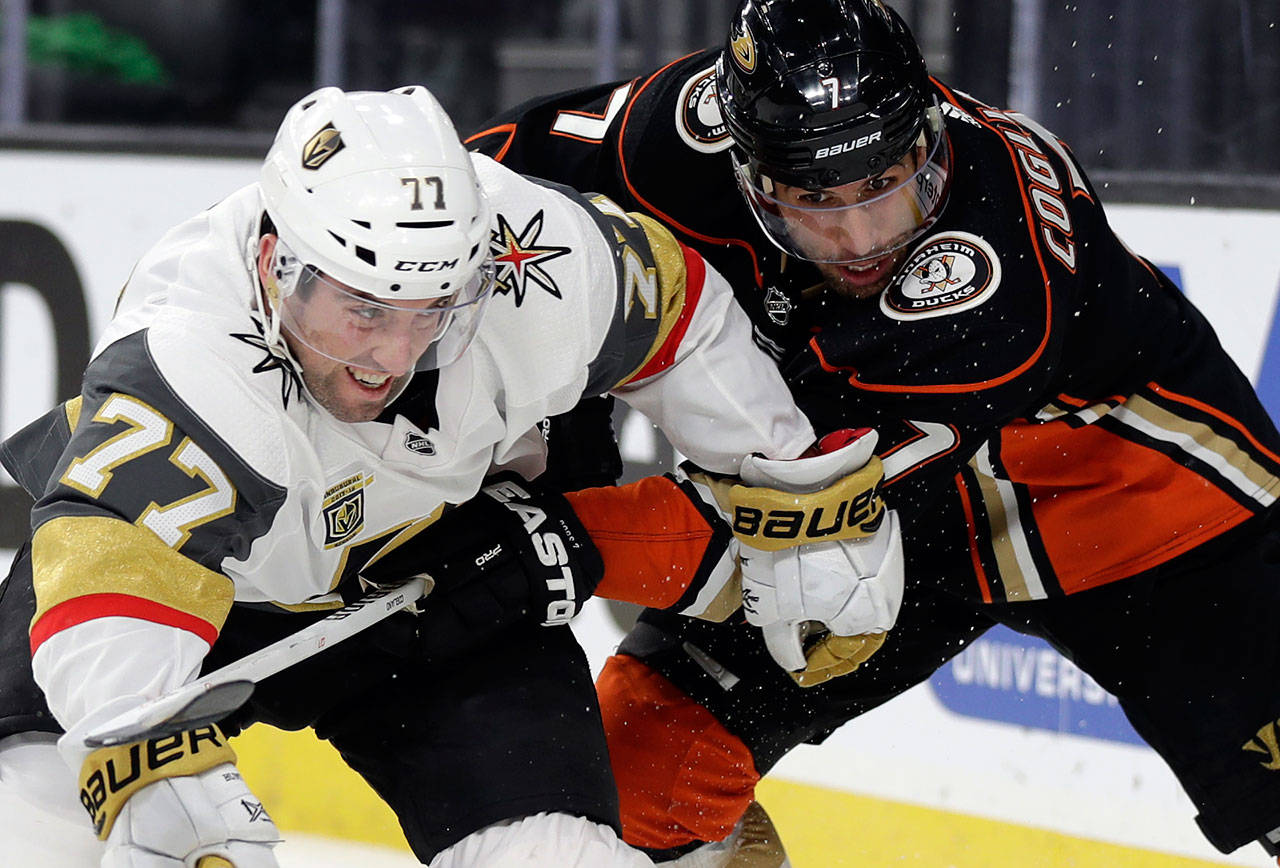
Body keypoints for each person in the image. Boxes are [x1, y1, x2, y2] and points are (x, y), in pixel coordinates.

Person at [0, 82, 905, 867]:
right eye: (362, 310)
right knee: (32, 825)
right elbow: (112, 573)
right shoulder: (192, 345)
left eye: (431, 307)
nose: (392, 357)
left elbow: (681, 315)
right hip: (209, 595)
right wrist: (143, 755)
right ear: (280, 265)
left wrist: (795, 487)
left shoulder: (535, 257)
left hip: (436, 583)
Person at [466, 0, 1280, 862]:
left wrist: (529, 544)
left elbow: (784, 506)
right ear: (744, 165)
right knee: (635, 781)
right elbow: (483, 181)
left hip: (1141, 499)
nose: (858, 240)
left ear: (927, 134)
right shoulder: (681, 132)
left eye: (885, 187)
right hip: (899, 511)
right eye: (813, 198)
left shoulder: (999, 274)